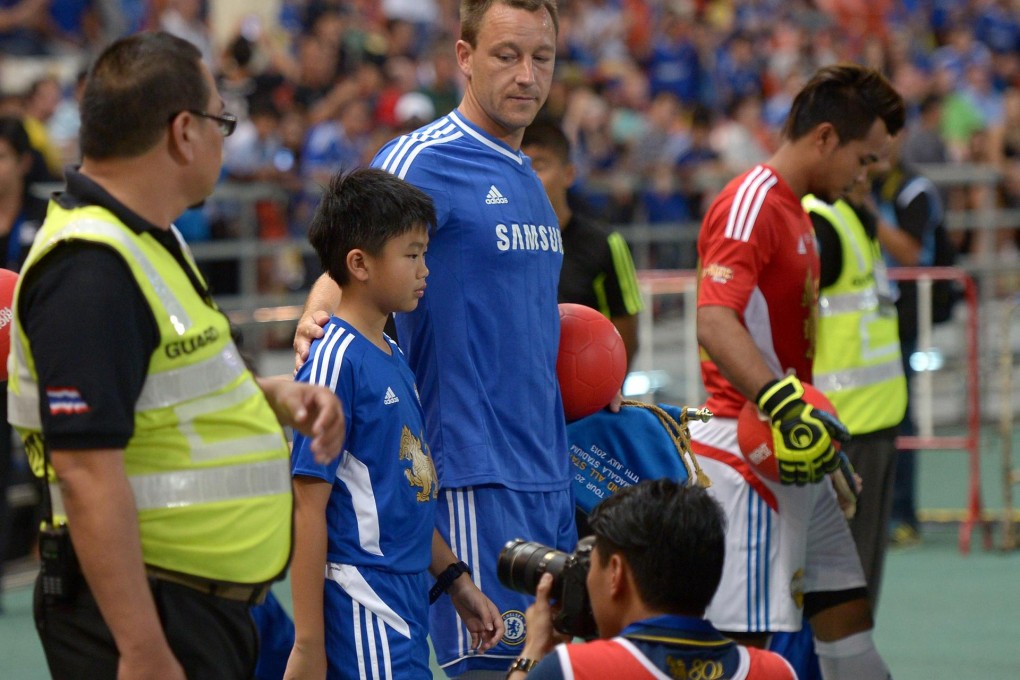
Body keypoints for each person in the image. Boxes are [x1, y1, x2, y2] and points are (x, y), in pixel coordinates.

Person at [6, 32, 345, 679]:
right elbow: (85, 471)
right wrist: (141, 648)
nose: (226, 136)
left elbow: (169, 388)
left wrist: (271, 396)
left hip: (198, 607)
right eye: (223, 120)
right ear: (184, 132)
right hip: (150, 617)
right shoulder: (90, 269)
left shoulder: (147, 242)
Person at [293, 2, 577, 676]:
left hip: (547, 474)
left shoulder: (528, 179)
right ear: (464, 56)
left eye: (542, 57)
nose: (527, 75)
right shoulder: (425, 157)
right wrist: (316, 319)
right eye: (507, 55)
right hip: (472, 475)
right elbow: (350, 255)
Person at [689, 63, 904, 680]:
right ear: (826, 138)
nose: (863, 178)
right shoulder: (750, 201)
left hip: (793, 450)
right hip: (746, 454)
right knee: (749, 653)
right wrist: (785, 408)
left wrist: (816, 441)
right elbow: (714, 320)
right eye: (864, 161)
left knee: (852, 641)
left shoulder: (799, 212)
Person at [284, 168, 503, 679]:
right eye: (412, 254)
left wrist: (456, 582)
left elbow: (402, 489)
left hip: (404, 601)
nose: (425, 268)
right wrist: (309, 644)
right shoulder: (334, 361)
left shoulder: (392, 351)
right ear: (359, 263)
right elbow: (306, 506)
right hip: (363, 602)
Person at [507, 479, 797, 679]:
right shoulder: (775, 671)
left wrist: (533, 652)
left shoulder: (573, 670)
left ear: (616, 573)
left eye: (588, 566)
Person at [807, 175, 908, 611]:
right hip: (841, 428)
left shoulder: (857, 217)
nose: (878, 167)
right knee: (841, 584)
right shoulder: (821, 222)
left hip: (876, 419)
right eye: (868, 156)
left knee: (861, 579)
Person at [874, 130, 949, 548]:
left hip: (900, 324)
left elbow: (912, 254)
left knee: (899, 419)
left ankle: (902, 516)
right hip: (859, 329)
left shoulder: (914, 190)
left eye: (888, 133)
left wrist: (868, 213)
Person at [521, 118, 643, 365]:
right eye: (521, 167)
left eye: (539, 166)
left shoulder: (605, 242)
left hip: (590, 395)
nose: (529, 177)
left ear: (568, 174)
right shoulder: (504, 242)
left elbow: (627, 330)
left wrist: (604, 391)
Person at [0, 115, 46, 610]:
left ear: (22, 162)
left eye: (2, 157)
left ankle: (53, 554)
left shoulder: (45, 217)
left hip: (37, 364)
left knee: (46, 467)